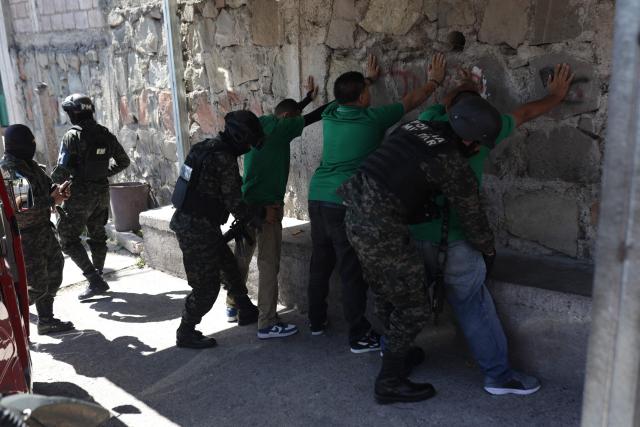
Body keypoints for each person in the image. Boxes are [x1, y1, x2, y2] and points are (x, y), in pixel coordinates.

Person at [409, 64, 575, 395]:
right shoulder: (485, 131)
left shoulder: (427, 122)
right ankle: (498, 376)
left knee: (408, 299)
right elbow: (525, 112)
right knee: (473, 306)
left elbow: (441, 104)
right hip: (457, 239)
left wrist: (455, 85)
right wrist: (556, 95)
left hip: (417, 233)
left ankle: (393, 350)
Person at [337, 95, 511, 404]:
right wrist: (488, 249)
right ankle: (389, 381)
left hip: (354, 216)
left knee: (387, 294)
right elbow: (472, 216)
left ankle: (398, 354)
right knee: (415, 307)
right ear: (470, 139)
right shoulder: (450, 160)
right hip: (382, 230)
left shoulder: (415, 126)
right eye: (480, 144)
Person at [307, 53, 446, 353]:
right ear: (360, 98)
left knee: (320, 261)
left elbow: (349, 94)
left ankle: (316, 321)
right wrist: (434, 80)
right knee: (350, 270)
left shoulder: (331, 112)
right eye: (367, 91)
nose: (371, 93)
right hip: (343, 200)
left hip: (316, 195)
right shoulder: (373, 119)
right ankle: (358, 335)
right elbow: (410, 101)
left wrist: (368, 79)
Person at [228, 77, 331, 339]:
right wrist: (346, 94)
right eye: (292, 120)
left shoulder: (262, 124)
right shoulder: (283, 128)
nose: (294, 126)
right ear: (287, 118)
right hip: (267, 208)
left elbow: (290, 112)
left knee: (242, 256)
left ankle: (234, 303)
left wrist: (306, 99)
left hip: (246, 202)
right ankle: (267, 322)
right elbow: (313, 117)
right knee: (268, 263)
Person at [170, 110, 265, 349]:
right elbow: (234, 200)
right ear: (238, 137)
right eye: (247, 142)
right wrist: (257, 220)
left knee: (229, 267)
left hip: (194, 223)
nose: (248, 148)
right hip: (197, 228)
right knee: (206, 287)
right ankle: (186, 331)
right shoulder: (223, 158)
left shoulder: (204, 147)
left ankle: (244, 308)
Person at [52, 94, 130, 301]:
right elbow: (124, 161)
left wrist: (49, 188)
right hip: (102, 193)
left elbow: (61, 169)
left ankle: (94, 280)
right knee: (98, 236)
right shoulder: (104, 133)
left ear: (73, 113)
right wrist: (102, 174)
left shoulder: (72, 136)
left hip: (78, 195)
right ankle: (98, 275)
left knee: (68, 239)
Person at [0, 124, 74, 335]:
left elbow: (47, 186)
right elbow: (24, 207)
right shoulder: (10, 170)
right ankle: (12, 325)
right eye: (29, 142)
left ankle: (46, 320)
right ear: (17, 145)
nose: (33, 145)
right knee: (35, 286)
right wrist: (52, 199)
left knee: (54, 272)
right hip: (26, 236)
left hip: (43, 230)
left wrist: (58, 192)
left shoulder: (29, 165)